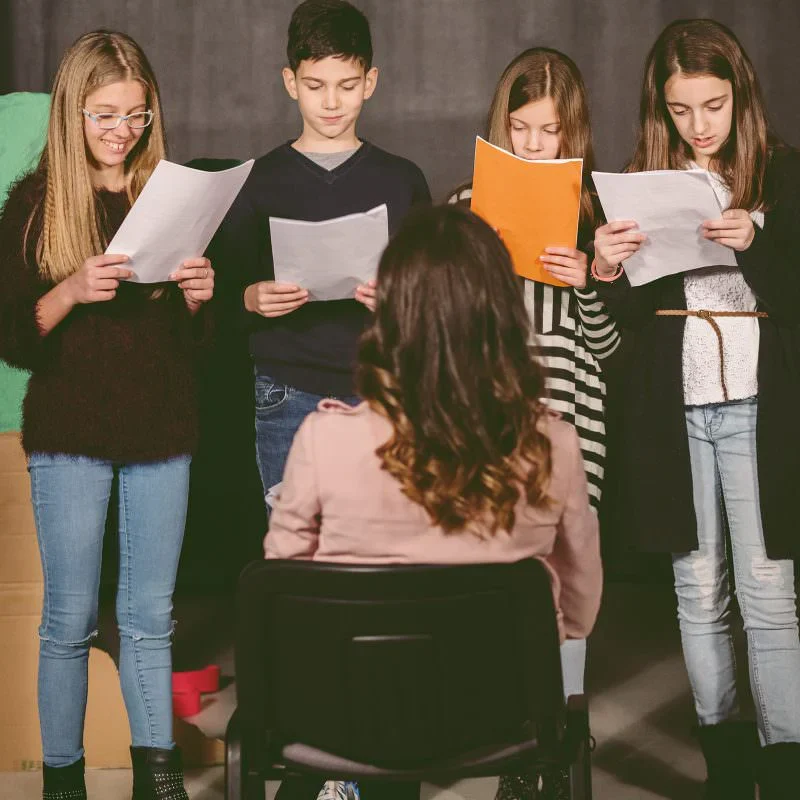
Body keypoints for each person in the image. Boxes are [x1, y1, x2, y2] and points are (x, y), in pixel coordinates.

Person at [265, 204, 603, 800]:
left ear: (394, 311)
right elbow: (578, 608)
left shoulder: (324, 437)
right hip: (503, 713)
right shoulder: (554, 441)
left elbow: (285, 590)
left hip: (355, 712)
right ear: (501, 311)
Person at [0, 30, 215, 800]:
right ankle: (65, 786)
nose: (123, 130)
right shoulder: (35, 203)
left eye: (137, 114)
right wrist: (68, 292)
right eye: (105, 115)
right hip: (70, 435)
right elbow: (12, 335)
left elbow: (191, 344)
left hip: (161, 430)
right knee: (68, 621)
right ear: (71, 115)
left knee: (151, 620)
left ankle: (159, 783)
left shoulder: (170, 199)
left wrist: (197, 298)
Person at [590, 18, 800, 800]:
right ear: (661, 108)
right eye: (682, 110)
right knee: (698, 588)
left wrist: (758, 238)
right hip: (674, 408)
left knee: (769, 589)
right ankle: (727, 764)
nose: (700, 125)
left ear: (741, 98)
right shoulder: (640, 180)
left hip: (758, 403)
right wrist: (606, 269)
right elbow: (620, 332)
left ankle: (783, 770)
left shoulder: (782, 173)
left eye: (714, 105)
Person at [215, 0, 430, 507]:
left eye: (347, 86)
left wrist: (401, 300)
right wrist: (250, 298)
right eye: (315, 86)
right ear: (290, 82)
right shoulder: (258, 181)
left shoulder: (402, 181)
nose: (331, 102)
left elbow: (435, 296)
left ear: (371, 81)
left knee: (381, 547)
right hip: (286, 390)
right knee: (297, 551)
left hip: (383, 389)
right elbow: (216, 295)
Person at [450, 47, 619, 514]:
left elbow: (610, 350)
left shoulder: (599, 212)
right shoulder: (464, 207)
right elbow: (443, 330)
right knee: (487, 553)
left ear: (573, 129)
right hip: (485, 406)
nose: (531, 144)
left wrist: (588, 279)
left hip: (570, 408)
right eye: (519, 128)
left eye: (549, 130)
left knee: (564, 561)